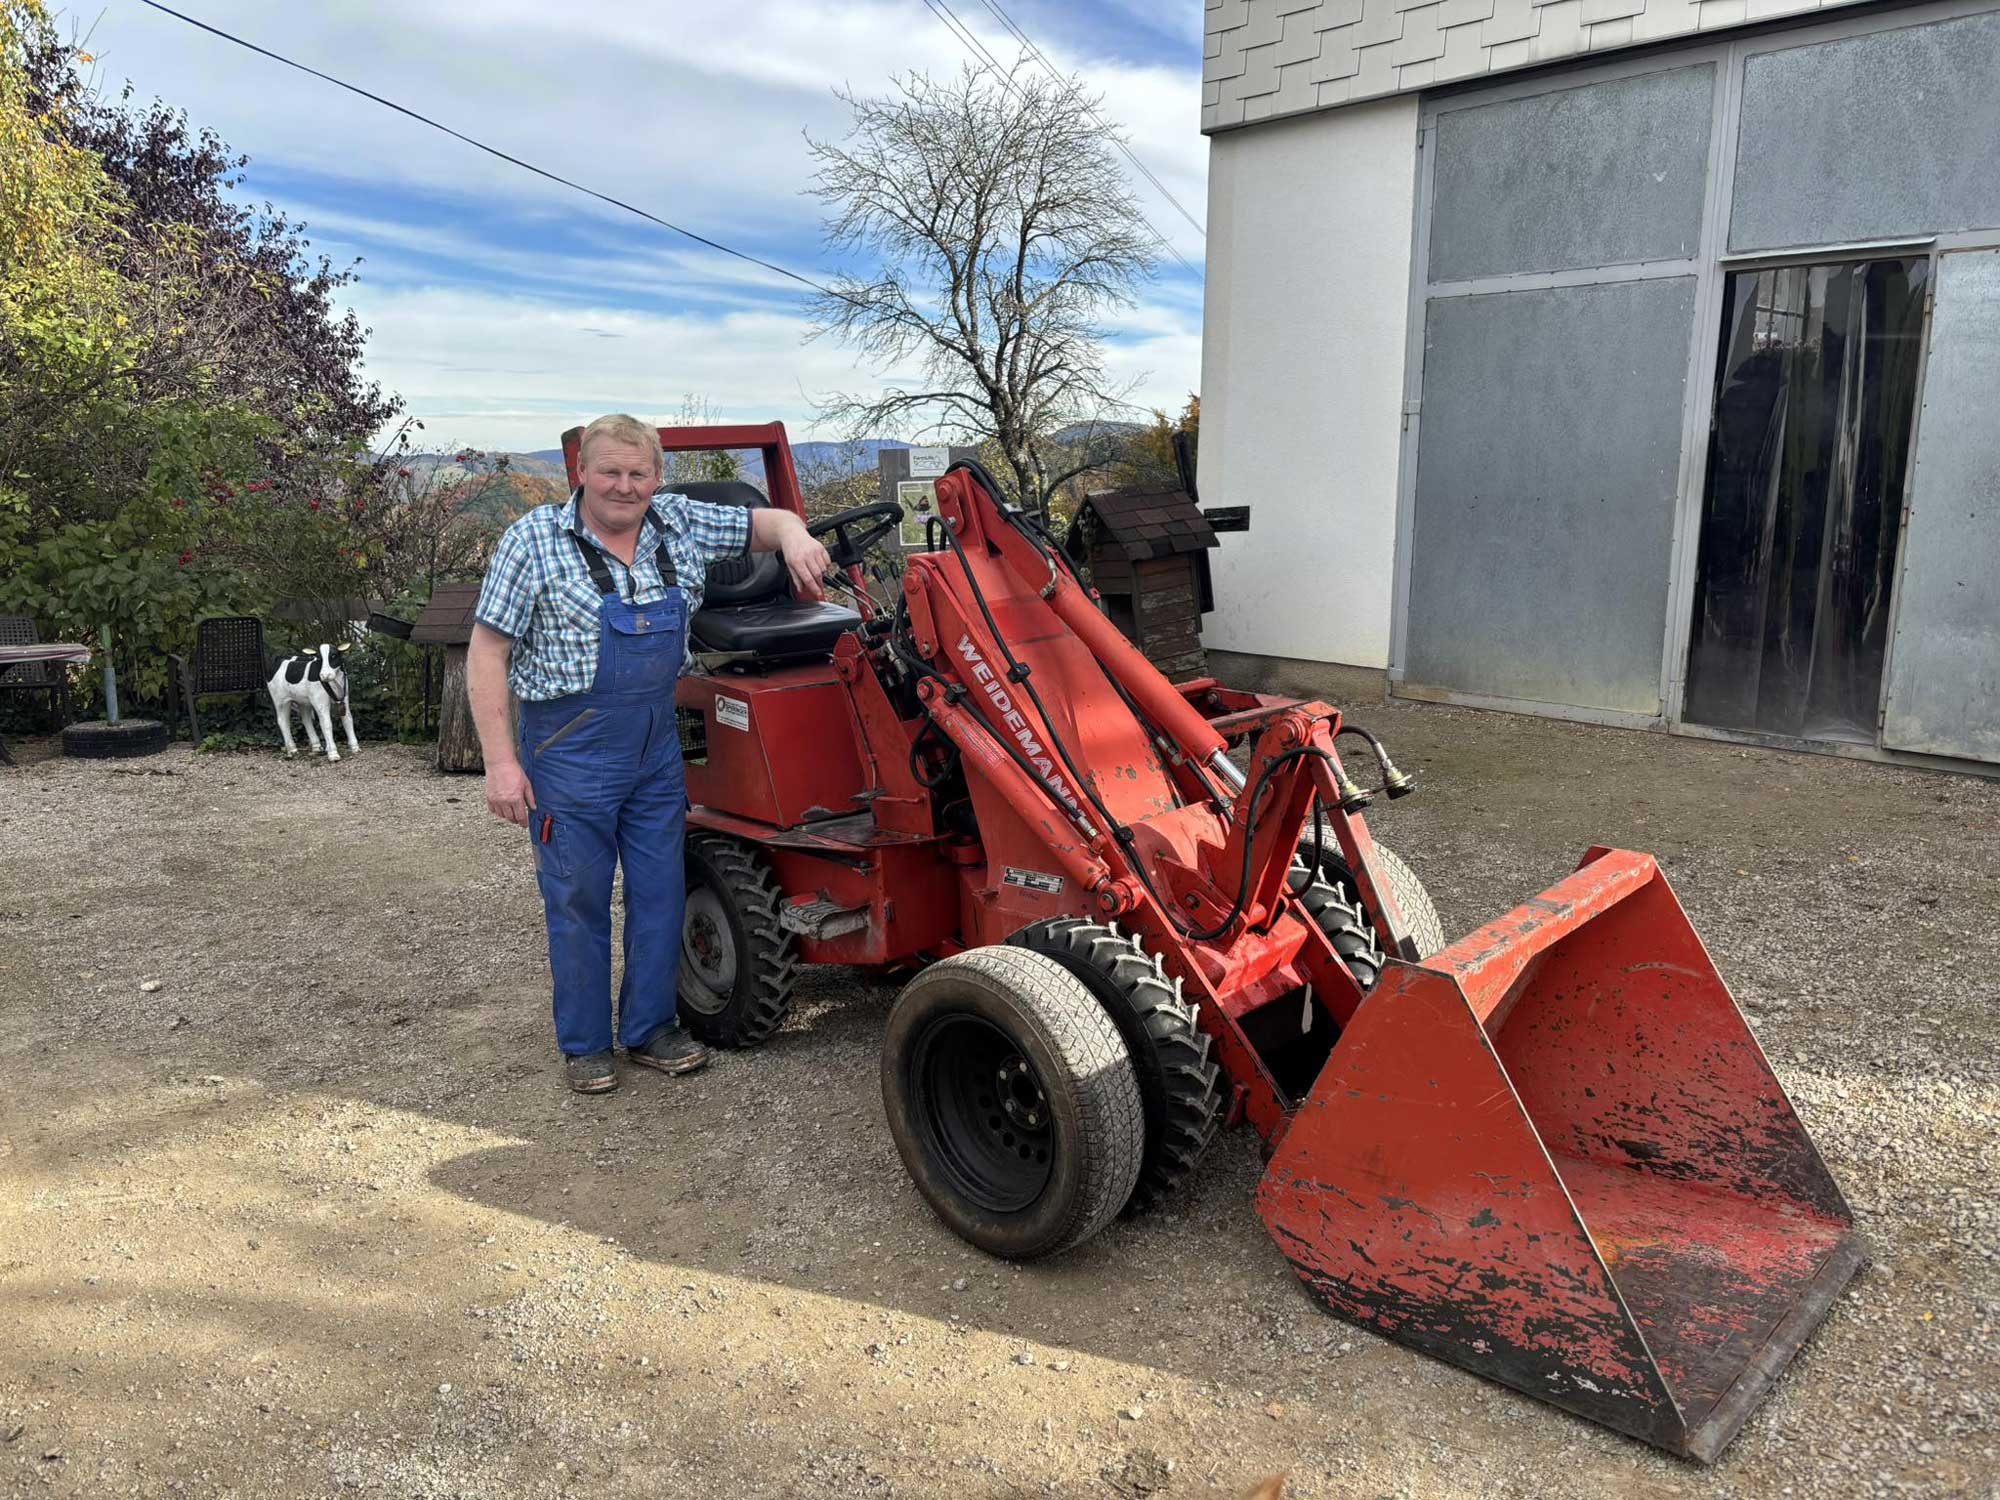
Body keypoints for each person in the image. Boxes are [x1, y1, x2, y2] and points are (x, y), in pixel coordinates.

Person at [467, 413, 832, 1094]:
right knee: (577, 898)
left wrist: (794, 536)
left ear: (658, 478)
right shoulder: (533, 542)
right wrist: (501, 763)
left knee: (661, 890)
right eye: (609, 471)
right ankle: (585, 1046)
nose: (624, 486)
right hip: (568, 747)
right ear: (582, 472)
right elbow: (488, 652)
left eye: (638, 473)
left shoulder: (680, 522)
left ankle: (651, 1029)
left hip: (655, 745)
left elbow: (771, 522)